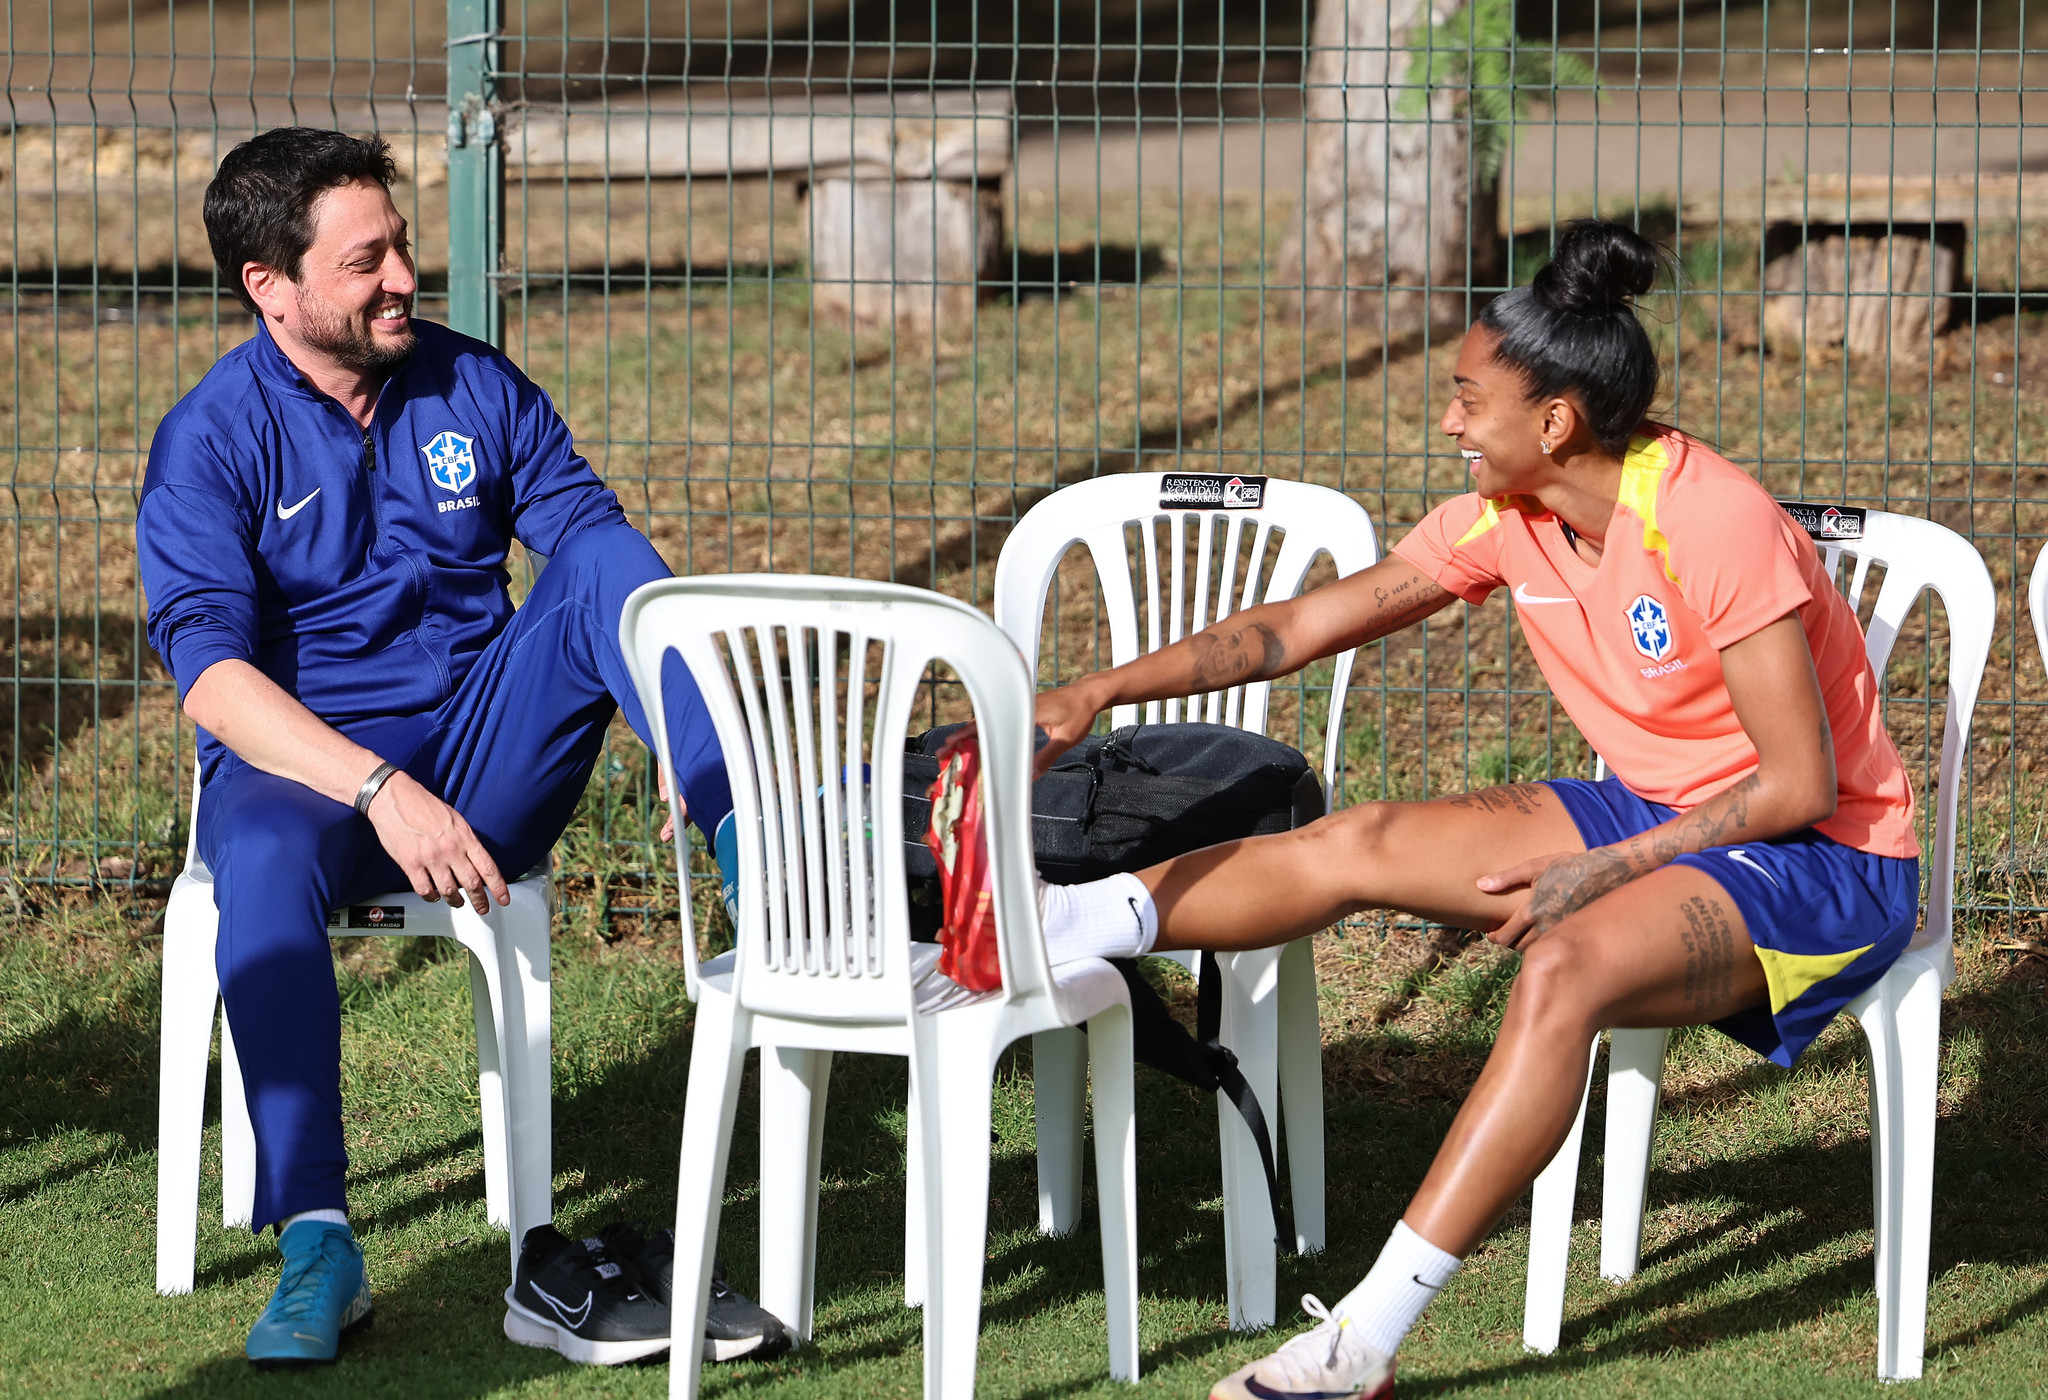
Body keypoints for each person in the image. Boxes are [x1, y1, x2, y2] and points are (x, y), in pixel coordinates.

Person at [977, 220, 1920, 1400]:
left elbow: (1797, 784)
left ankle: (1355, 1346)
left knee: (1562, 962)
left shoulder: (1709, 520)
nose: (1448, 422)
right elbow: (1295, 630)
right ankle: (1047, 930)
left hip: (1823, 856)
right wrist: (1099, 689)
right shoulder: (1502, 519)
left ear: (1553, 422)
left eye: (1466, 399)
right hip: (1655, 804)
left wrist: (1614, 863)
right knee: (1356, 838)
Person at [139, 127, 786, 1369]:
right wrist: (379, 790)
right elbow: (212, 680)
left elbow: (601, 556)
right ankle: (319, 1240)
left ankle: (770, 873)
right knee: (260, 866)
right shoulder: (208, 438)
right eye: (363, 260)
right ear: (271, 288)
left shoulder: (474, 383)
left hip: (487, 745)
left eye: (401, 247)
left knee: (605, 567)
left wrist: (670, 701)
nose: (400, 278)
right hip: (314, 771)